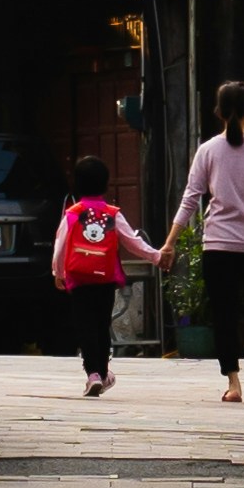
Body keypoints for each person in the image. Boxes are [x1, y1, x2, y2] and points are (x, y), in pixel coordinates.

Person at [158, 80, 244, 404]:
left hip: (219, 247)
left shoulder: (207, 151)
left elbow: (190, 200)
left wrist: (169, 243)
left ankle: (234, 384)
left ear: (219, 112)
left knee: (223, 313)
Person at [50, 155, 161, 397]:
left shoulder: (73, 213)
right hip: (104, 278)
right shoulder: (112, 214)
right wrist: (156, 256)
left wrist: (58, 272)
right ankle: (103, 370)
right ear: (105, 184)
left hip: (79, 279)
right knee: (101, 325)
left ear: (77, 185)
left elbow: (61, 245)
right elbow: (132, 241)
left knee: (85, 325)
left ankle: (93, 375)